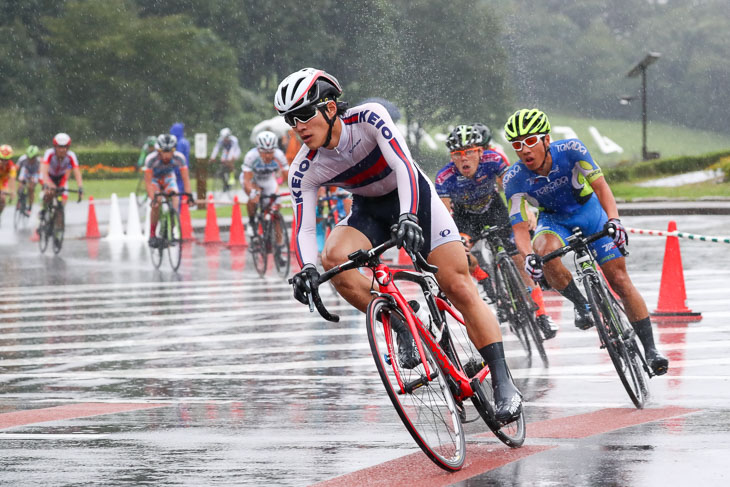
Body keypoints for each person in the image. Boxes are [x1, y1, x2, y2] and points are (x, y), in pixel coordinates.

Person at [275, 67, 522, 422]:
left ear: (330, 108)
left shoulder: (369, 119)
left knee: (458, 285)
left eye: (303, 114)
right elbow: (304, 225)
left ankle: (503, 381)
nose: (297, 126)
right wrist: (307, 269)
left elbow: (405, 167)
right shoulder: (304, 167)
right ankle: (400, 323)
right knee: (332, 259)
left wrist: (407, 216)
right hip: (369, 209)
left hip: (414, 197)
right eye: (289, 119)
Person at [502, 108, 668, 375]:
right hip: (554, 220)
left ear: (546, 139)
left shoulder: (571, 149)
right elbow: (520, 229)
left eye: (530, 141)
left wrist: (614, 220)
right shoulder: (513, 178)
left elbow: (601, 187)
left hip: (588, 212)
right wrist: (528, 257)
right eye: (517, 144)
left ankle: (650, 349)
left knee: (620, 280)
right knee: (543, 253)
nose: (524, 150)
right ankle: (582, 304)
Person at [435, 125, 557, 339]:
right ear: (452, 157)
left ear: (480, 152)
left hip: (495, 210)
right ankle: (486, 284)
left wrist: (526, 210)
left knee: (520, 257)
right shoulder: (445, 177)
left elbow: (513, 190)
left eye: (469, 152)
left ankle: (541, 315)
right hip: (466, 220)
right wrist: (453, 241)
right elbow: (445, 215)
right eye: (457, 154)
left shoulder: (493, 160)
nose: (464, 159)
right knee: (462, 257)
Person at [241, 130, 289, 263]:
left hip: (268, 180)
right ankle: (252, 222)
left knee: (276, 211)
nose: (268, 155)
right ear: (258, 150)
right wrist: (252, 192)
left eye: (271, 152)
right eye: (265, 152)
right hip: (253, 180)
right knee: (254, 197)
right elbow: (246, 180)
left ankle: (278, 249)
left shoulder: (279, 155)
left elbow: (288, 177)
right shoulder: (251, 156)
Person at [144, 134, 192, 247]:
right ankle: (152, 235)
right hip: (155, 180)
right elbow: (148, 182)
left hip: (168, 178)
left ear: (174, 150)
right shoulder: (151, 159)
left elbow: (186, 178)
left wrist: (189, 195)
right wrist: (153, 198)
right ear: (158, 150)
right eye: (163, 152)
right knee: (157, 202)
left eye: (169, 152)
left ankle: (171, 232)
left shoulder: (179, 158)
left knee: (175, 198)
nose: (166, 155)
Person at [40, 133, 83, 213]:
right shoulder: (49, 153)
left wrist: (80, 187)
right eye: (59, 147)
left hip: (61, 178)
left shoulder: (71, 155)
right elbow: (44, 171)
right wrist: (46, 183)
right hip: (49, 176)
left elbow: (76, 172)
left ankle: (58, 216)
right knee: (50, 192)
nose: (62, 150)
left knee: (63, 202)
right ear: (55, 147)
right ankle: (43, 210)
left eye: (64, 147)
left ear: (68, 147)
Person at [209, 127, 241, 192]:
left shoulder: (234, 140)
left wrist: (229, 160)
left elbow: (233, 150)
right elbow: (216, 148)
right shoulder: (220, 140)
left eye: (226, 138)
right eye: (224, 138)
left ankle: (232, 177)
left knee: (230, 161)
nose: (225, 140)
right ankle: (225, 183)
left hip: (235, 151)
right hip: (226, 151)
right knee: (222, 165)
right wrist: (212, 157)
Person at [15, 145, 42, 214]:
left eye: (32, 158)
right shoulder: (22, 158)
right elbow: (15, 168)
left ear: (36, 156)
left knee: (31, 188)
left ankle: (30, 207)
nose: (30, 159)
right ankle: (20, 200)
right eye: (28, 157)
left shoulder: (39, 161)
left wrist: (34, 180)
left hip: (34, 173)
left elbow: (41, 172)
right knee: (20, 186)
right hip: (25, 171)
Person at [170, 122, 191, 196]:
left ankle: (177, 205)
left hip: (174, 168)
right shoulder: (185, 142)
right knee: (182, 188)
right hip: (184, 167)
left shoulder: (173, 142)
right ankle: (181, 205)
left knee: (174, 188)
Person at [0, 144, 17, 218]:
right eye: (1, 159)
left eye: (6, 160)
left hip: (3, 182)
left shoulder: (11, 167)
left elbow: (12, 180)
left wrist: (12, 192)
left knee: (3, 198)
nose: (4, 162)